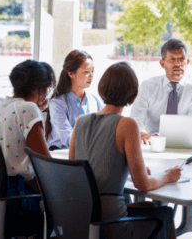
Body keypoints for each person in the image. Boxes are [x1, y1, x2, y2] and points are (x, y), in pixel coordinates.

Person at [69, 62, 182, 239]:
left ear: (102, 87)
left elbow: (77, 172)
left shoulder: (80, 121)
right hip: (111, 224)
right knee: (166, 213)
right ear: (134, 91)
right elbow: (143, 185)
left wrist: (131, 170)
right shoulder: (127, 125)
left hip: (82, 221)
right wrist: (167, 176)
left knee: (151, 208)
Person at [0, 59, 56, 237]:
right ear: (41, 89)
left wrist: (38, 111)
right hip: (14, 200)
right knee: (65, 202)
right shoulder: (28, 109)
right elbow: (45, 166)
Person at [130, 38, 192, 144]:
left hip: (184, 143)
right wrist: (142, 133)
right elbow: (136, 116)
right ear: (162, 63)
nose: (178, 64)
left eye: (181, 59)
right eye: (172, 59)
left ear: (187, 62)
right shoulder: (148, 86)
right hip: (152, 143)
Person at [45, 49, 104, 150]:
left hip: (89, 154)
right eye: (86, 72)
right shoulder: (58, 103)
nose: (91, 76)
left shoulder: (95, 100)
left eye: (92, 71)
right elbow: (68, 139)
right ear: (71, 73)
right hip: (63, 156)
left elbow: (104, 130)